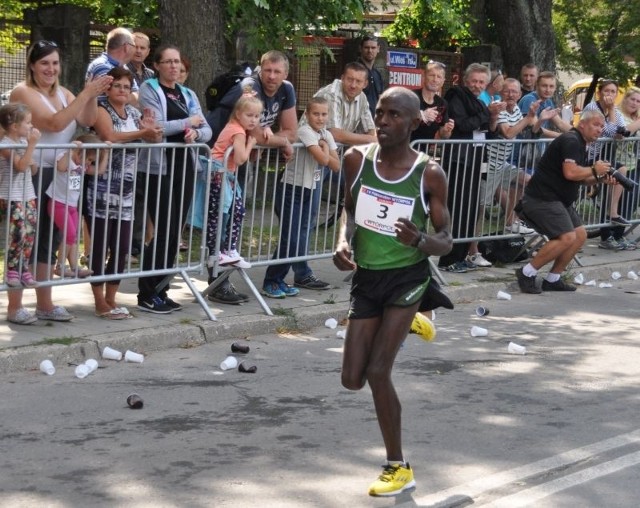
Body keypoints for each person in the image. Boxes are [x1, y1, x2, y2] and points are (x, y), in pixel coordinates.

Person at [333, 86, 452, 497]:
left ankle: (398, 466)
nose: (382, 121)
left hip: (407, 277)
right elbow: (347, 210)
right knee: (352, 379)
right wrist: (342, 241)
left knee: (378, 371)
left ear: (414, 123)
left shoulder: (428, 173)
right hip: (368, 277)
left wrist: (420, 240)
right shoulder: (355, 160)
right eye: (379, 113)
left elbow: (446, 240)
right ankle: (411, 323)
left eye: (393, 115)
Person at [9, 40, 112, 322]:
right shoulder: (23, 91)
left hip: (61, 174)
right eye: (44, 63)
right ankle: (15, 305)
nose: (50, 69)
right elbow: (53, 123)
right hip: (31, 173)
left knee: (49, 239)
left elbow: (86, 119)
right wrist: (85, 93)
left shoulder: (65, 92)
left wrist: (90, 96)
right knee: (25, 238)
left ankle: (45, 302)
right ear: (32, 65)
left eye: (55, 63)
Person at [205, 50, 298, 304]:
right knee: (220, 217)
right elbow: (255, 130)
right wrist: (280, 143)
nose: (271, 76)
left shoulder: (286, 89)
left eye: (277, 72)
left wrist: (276, 139)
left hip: (238, 159)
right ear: (260, 69)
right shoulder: (249, 87)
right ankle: (215, 281)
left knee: (234, 214)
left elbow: (292, 130)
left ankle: (222, 279)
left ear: (285, 74)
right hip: (218, 159)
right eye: (267, 70)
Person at [136, 44, 211, 314]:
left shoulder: (187, 93)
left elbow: (206, 129)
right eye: (167, 62)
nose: (174, 67)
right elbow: (156, 127)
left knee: (175, 232)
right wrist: (188, 123)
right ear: (156, 65)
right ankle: (146, 291)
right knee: (163, 229)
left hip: (185, 166)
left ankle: (162, 289)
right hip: (159, 167)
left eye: (177, 62)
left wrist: (195, 134)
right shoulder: (149, 89)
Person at [515, 109, 617, 294]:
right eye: (596, 125)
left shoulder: (581, 143)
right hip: (542, 198)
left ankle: (553, 279)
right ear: (582, 124)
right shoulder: (571, 140)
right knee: (566, 237)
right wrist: (595, 169)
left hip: (559, 199)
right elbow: (570, 172)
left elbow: (581, 178)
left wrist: (600, 178)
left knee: (580, 235)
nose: (600, 130)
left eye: (602, 126)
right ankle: (526, 273)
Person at [91, 67, 163, 319]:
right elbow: (109, 134)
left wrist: (152, 131)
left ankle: (112, 298)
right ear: (108, 88)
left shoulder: (134, 112)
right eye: (117, 86)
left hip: (128, 189)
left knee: (121, 247)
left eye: (126, 86)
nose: (122, 90)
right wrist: (143, 133)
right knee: (101, 245)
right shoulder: (102, 109)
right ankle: (99, 299)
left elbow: (149, 137)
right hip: (103, 188)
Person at [262, 97, 340, 298]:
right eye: (316, 113)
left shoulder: (326, 134)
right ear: (307, 114)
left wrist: (325, 147)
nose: (320, 118)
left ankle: (284, 278)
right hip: (292, 189)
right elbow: (323, 159)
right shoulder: (305, 131)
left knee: (301, 233)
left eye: (324, 114)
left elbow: (336, 165)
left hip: (311, 188)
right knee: (290, 236)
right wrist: (324, 148)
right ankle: (271, 280)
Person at [437, 63, 503, 273]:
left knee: (471, 209)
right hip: (459, 160)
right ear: (466, 81)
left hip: (475, 160)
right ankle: (449, 259)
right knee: (458, 209)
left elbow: (490, 133)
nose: (476, 85)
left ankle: (462, 254)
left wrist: (492, 117)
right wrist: (486, 114)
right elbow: (462, 124)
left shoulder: (480, 102)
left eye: (481, 82)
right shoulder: (457, 96)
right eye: (474, 81)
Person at [205, 87, 262, 302]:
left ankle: (229, 249)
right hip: (220, 175)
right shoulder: (237, 131)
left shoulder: (236, 127)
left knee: (237, 210)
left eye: (257, 116)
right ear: (238, 114)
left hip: (225, 175)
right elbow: (240, 159)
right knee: (220, 213)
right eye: (249, 115)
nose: (253, 120)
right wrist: (251, 143)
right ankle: (219, 250)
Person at [46, 134, 107, 279]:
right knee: (70, 233)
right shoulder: (65, 156)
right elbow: (61, 167)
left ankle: (74, 268)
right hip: (58, 203)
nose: (87, 162)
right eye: (86, 158)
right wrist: (71, 150)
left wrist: (107, 153)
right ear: (78, 151)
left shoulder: (83, 164)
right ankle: (60, 267)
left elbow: (99, 171)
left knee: (73, 237)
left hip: (72, 205)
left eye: (91, 160)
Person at [0, 104, 40, 322]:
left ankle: (24, 267)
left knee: (29, 234)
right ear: (15, 126)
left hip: (28, 195)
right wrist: (32, 147)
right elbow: (21, 167)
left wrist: (30, 150)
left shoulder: (24, 143)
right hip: (11, 196)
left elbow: (33, 169)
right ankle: (12, 269)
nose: (31, 126)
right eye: (27, 122)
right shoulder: (6, 144)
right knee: (17, 235)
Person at [582, 80, 634, 249]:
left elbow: (620, 132)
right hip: (587, 154)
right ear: (599, 93)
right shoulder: (592, 108)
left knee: (622, 169)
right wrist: (612, 111)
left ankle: (613, 212)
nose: (610, 95)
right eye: (607, 91)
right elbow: (611, 131)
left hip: (602, 155)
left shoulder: (615, 111)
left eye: (613, 92)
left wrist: (616, 123)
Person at [410, 60, 454, 143]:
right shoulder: (411, 97)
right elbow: (399, 123)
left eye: (439, 77)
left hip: (424, 152)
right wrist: (422, 116)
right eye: (432, 75)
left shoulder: (442, 103)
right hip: (403, 150)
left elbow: (444, 136)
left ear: (443, 81)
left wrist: (446, 130)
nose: (435, 80)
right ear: (424, 77)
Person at [518, 71, 572, 138]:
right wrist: (563, 136)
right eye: (544, 86)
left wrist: (579, 133)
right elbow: (536, 128)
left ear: (555, 88)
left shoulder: (548, 101)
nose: (548, 90)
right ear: (537, 86)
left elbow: (560, 123)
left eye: (551, 86)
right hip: (524, 146)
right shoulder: (529, 100)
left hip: (537, 147)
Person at [86, 27, 137, 97]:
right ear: (126, 47)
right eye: (134, 46)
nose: (136, 50)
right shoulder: (102, 66)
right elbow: (111, 99)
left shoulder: (123, 67)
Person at [357, 35, 384, 118]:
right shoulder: (355, 71)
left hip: (373, 121)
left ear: (378, 49)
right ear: (360, 48)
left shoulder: (377, 74)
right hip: (357, 120)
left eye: (373, 48)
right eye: (366, 47)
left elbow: (380, 99)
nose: (370, 51)